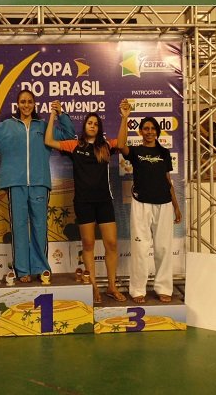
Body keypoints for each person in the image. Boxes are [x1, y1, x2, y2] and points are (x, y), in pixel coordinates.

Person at [0, 89, 75, 282]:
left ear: (34, 104)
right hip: (15, 183)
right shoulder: (6, 126)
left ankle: (41, 268)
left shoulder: (43, 126)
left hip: (39, 182)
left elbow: (69, 135)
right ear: (18, 104)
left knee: (40, 226)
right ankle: (22, 270)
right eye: (23, 101)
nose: (26, 105)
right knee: (19, 226)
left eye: (30, 101)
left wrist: (61, 114)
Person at [44, 104, 125, 305]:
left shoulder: (105, 146)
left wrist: (125, 117)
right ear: (85, 126)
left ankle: (112, 286)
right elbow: (48, 141)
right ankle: (93, 286)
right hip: (83, 202)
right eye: (90, 123)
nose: (92, 126)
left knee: (111, 244)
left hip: (104, 201)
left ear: (99, 128)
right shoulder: (75, 145)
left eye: (96, 124)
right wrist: (53, 114)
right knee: (88, 245)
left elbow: (123, 143)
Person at [116, 99, 181, 303]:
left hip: (164, 204)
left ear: (157, 132)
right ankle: (138, 290)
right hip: (141, 203)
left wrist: (176, 206)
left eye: (153, 128)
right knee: (140, 249)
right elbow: (120, 145)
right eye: (146, 128)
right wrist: (125, 118)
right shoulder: (136, 151)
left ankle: (163, 287)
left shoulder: (164, 153)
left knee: (163, 248)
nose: (149, 131)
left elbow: (168, 180)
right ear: (141, 132)